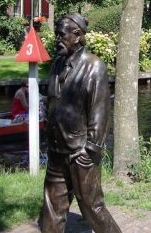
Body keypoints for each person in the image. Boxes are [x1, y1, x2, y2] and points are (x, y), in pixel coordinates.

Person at [42, 13, 121, 233]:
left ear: (77, 36)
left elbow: (100, 113)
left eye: (61, 34)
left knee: (92, 208)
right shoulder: (57, 64)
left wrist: (91, 149)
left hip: (80, 153)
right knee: (52, 207)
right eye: (56, 34)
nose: (57, 39)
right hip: (57, 150)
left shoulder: (94, 67)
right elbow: (53, 102)